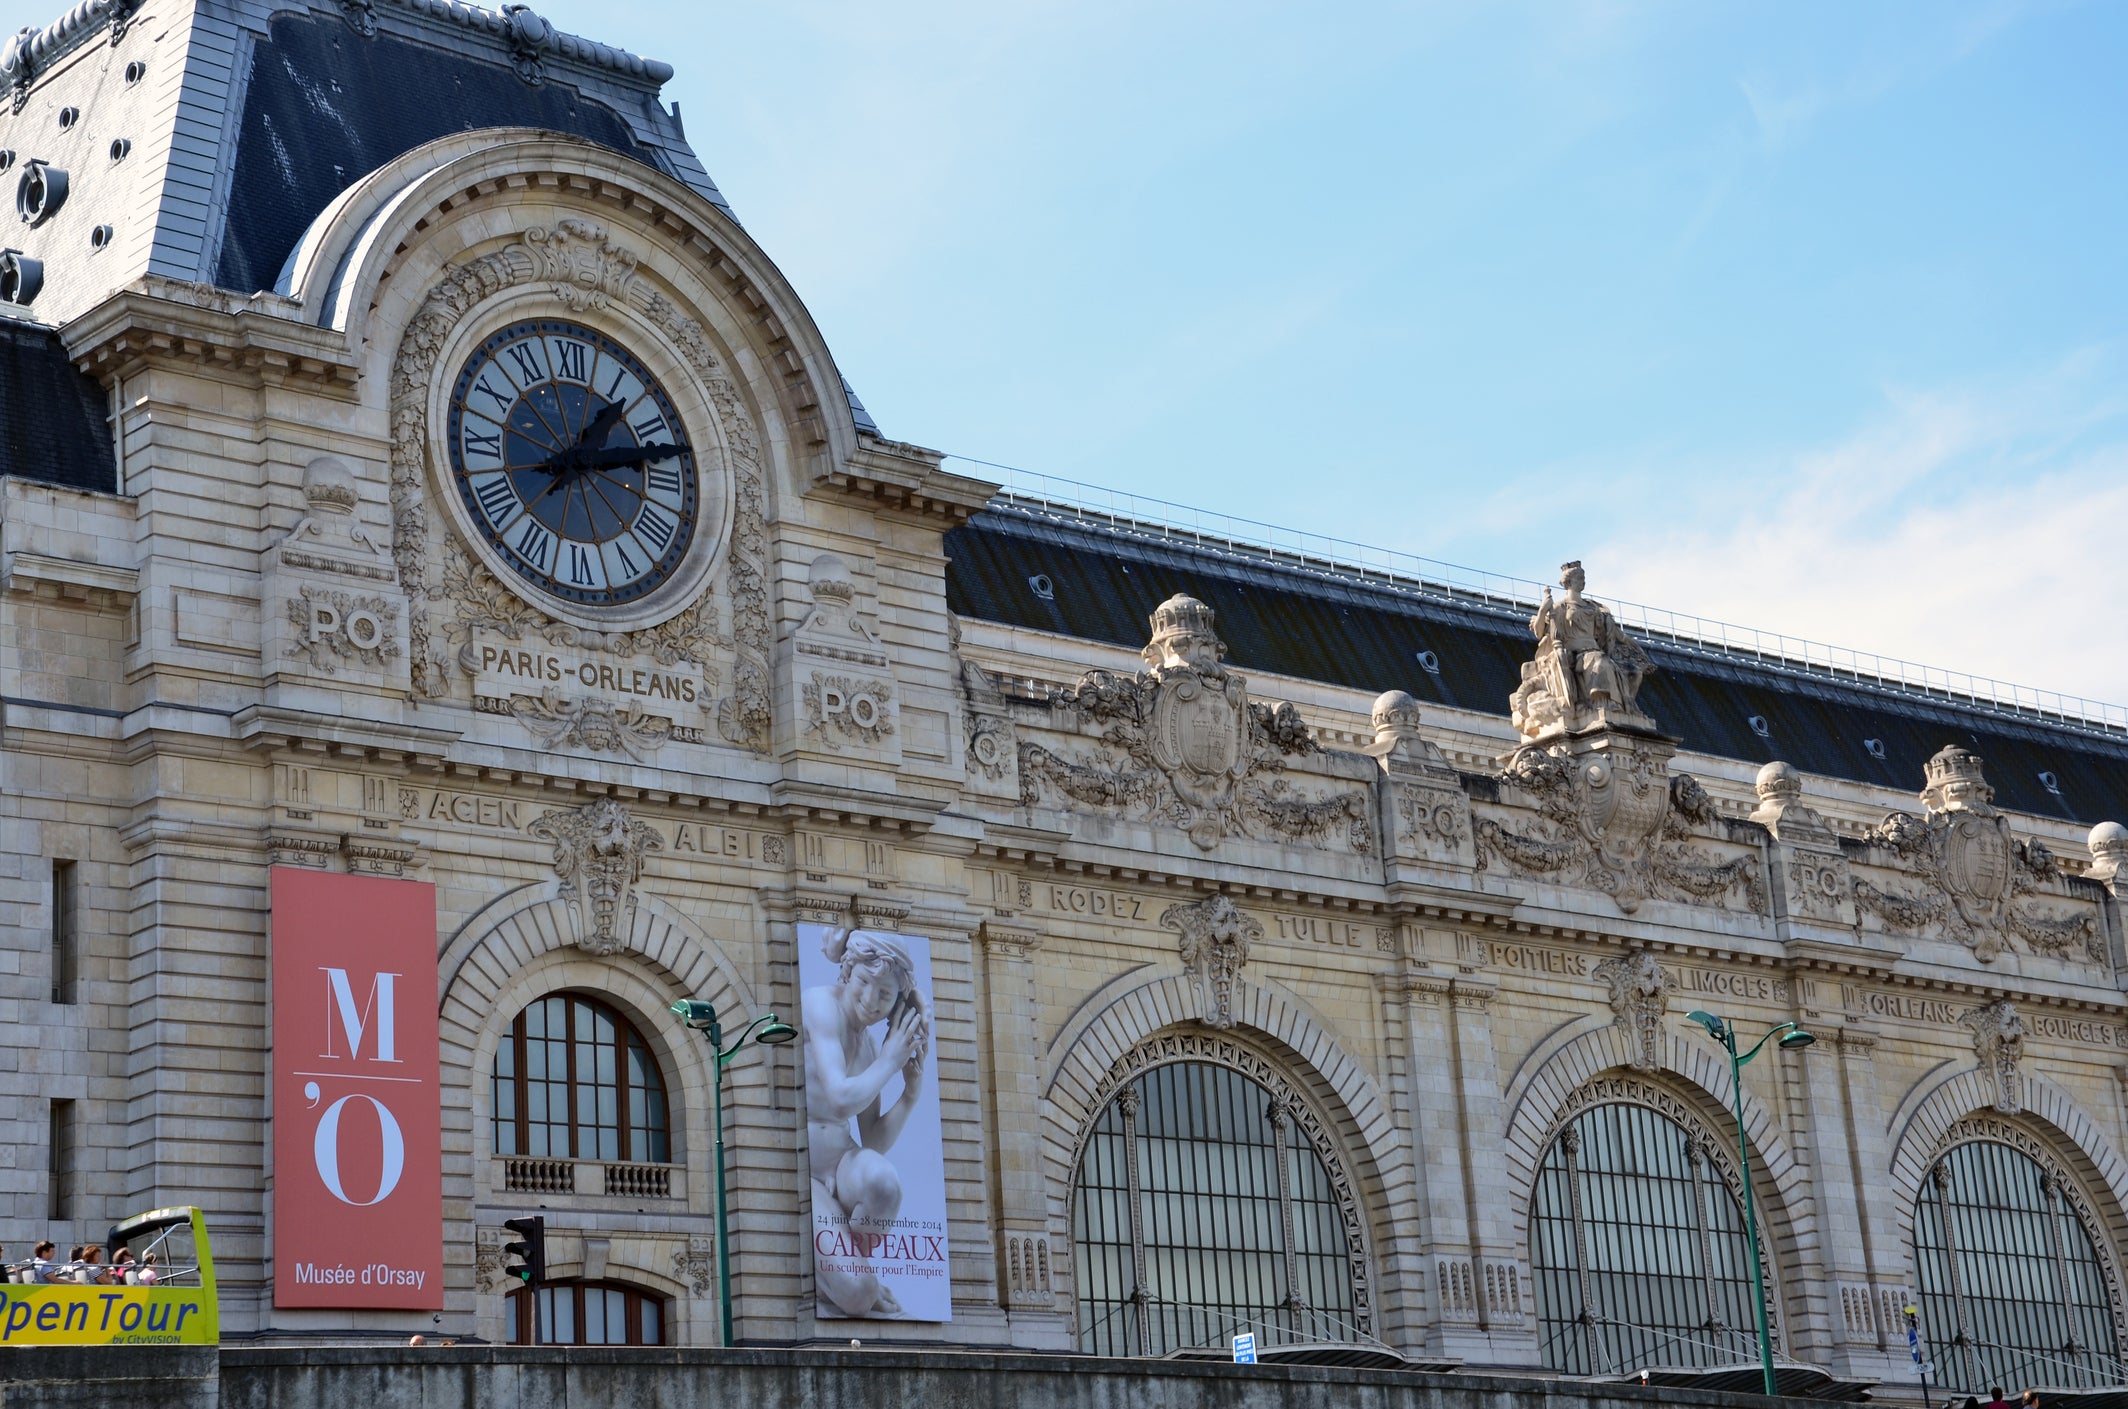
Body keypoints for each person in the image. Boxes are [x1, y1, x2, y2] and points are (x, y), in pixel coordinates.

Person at [804, 927, 929, 1319]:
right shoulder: (820, 1005)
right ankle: (851, 1281)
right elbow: (840, 1100)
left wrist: (909, 1094)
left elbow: (871, 1138)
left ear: (896, 1003)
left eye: (885, 994)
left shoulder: (872, 1045)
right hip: (803, 1171)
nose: (870, 1000)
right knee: (859, 1297)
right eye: (864, 982)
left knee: (884, 1183)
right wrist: (890, 1062)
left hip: (841, 1163)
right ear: (847, 971)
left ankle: (850, 1267)